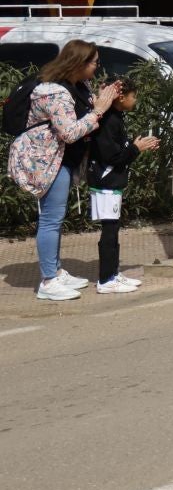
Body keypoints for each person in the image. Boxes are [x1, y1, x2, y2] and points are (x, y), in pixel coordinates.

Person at [7, 40, 120, 300]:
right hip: (47, 161)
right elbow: (69, 133)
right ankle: (48, 281)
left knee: (55, 219)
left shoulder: (78, 85)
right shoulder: (53, 93)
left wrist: (102, 99)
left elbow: (85, 111)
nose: (97, 67)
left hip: (62, 159)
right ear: (79, 63)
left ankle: (56, 271)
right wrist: (99, 111)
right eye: (94, 63)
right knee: (50, 220)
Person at [87, 80, 159, 294]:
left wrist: (137, 146)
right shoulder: (108, 120)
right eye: (133, 96)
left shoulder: (116, 118)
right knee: (109, 229)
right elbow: (113, 156)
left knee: (114, 227)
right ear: (121, 97)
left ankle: (113, 273)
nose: (135, 100)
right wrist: (136, 149)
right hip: (105, 182)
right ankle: (106, 279)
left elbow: (121, 149)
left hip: (112, 182)